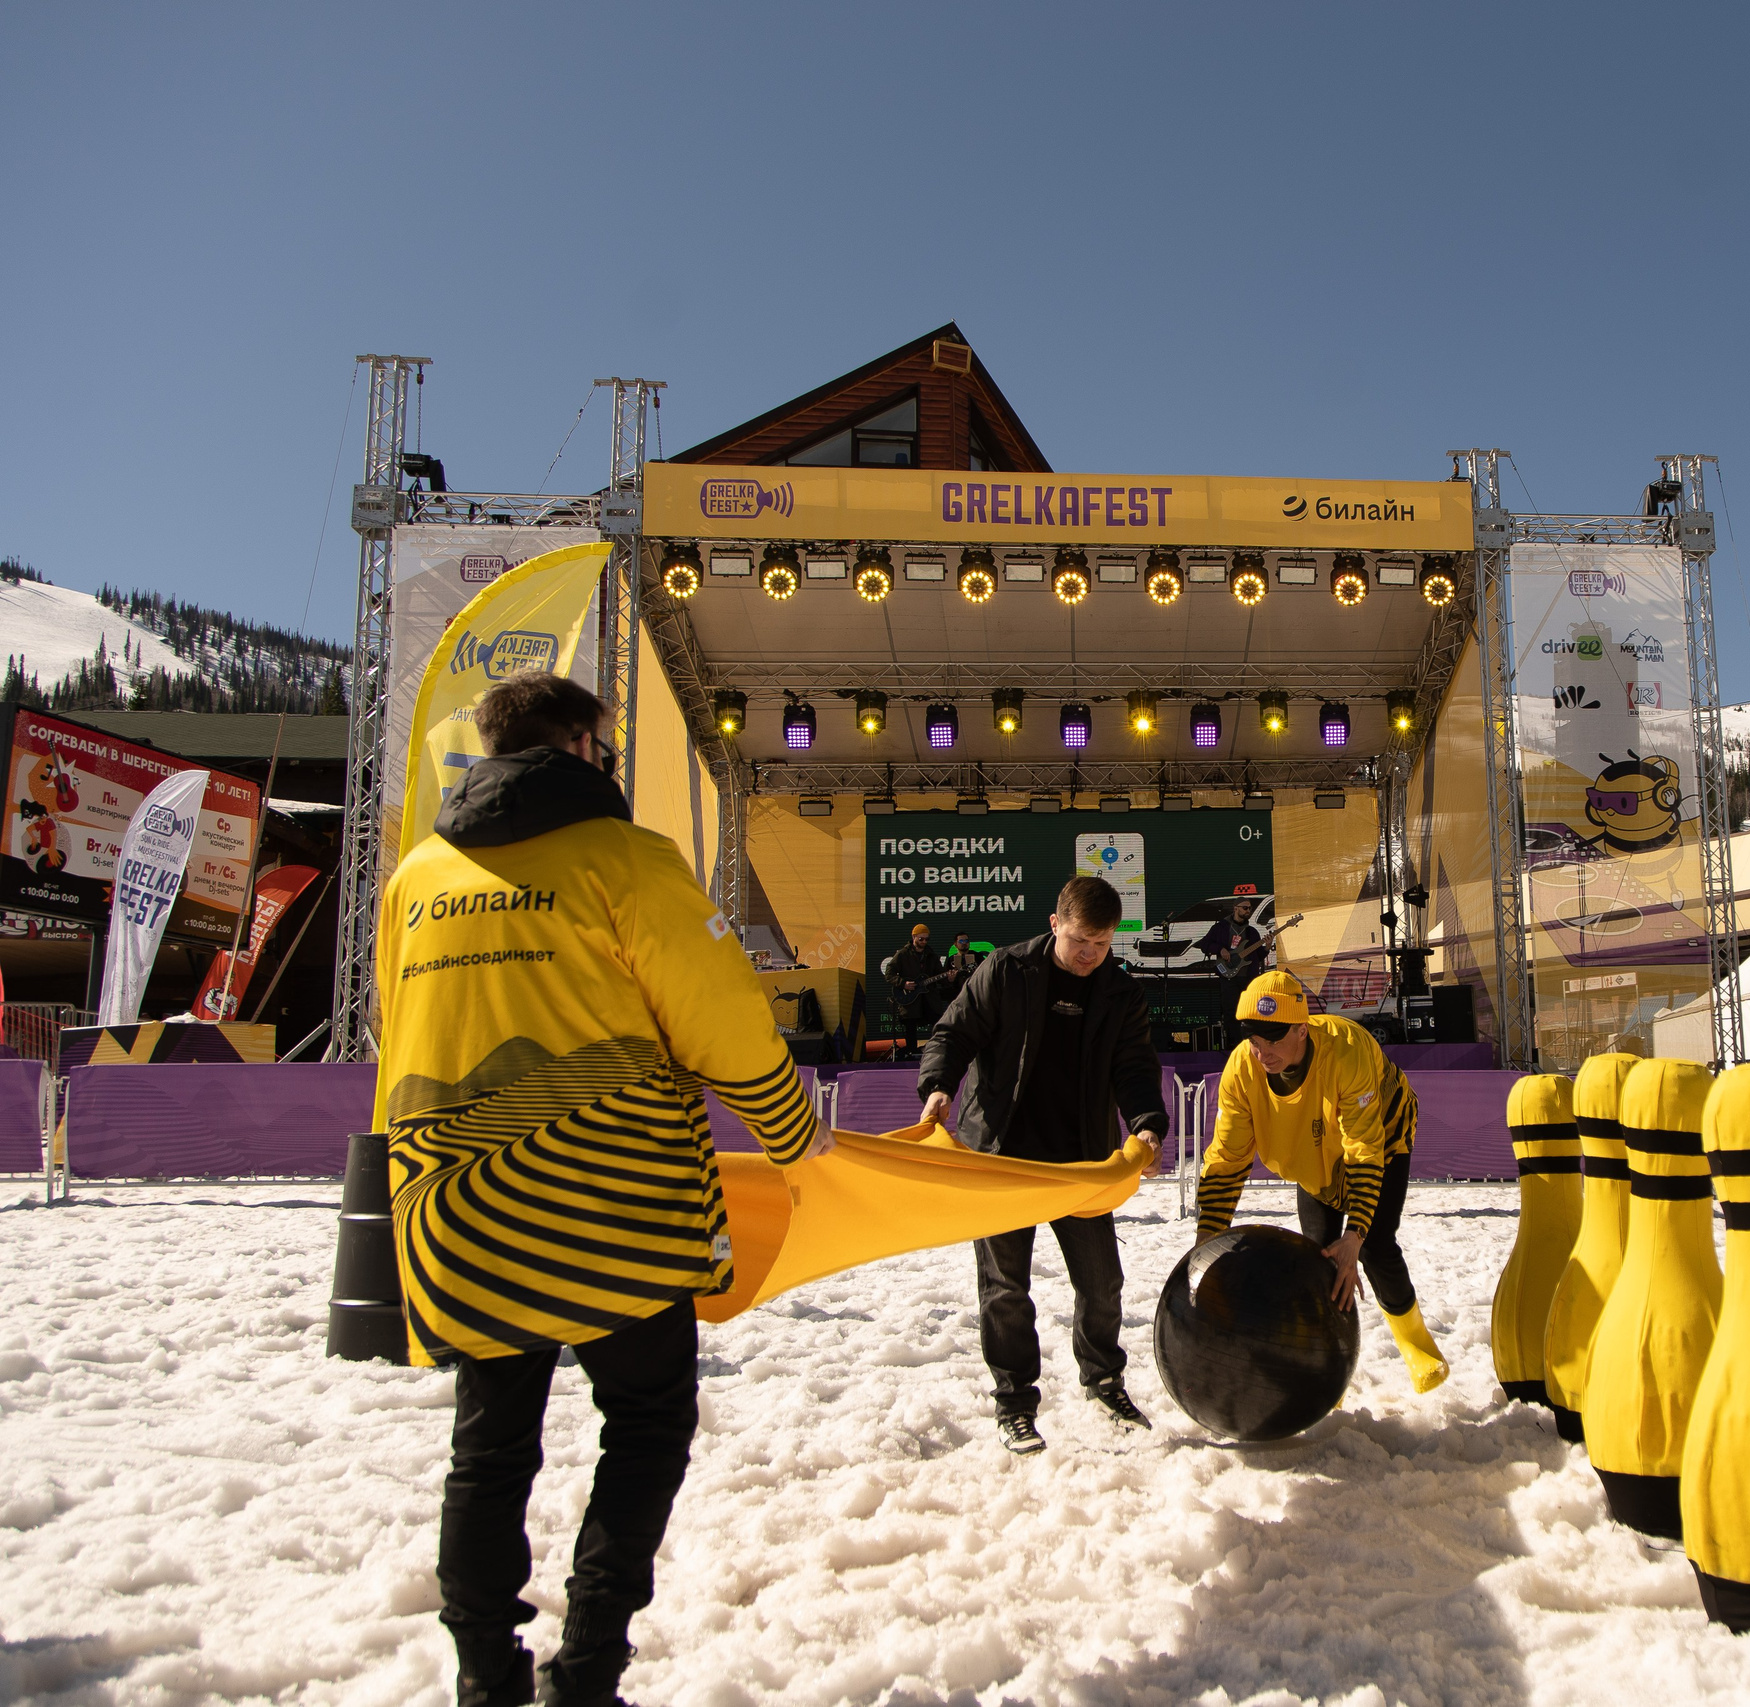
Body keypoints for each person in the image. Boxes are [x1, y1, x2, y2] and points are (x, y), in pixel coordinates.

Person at [373, 673, 826, 1707]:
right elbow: (723, 1023)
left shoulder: (416, 877)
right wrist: (794, 1140)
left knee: (486, 1455)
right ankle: (586, 1673)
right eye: (607, 748)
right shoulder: (626, 862)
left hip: (460, 1215)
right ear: (580, 746)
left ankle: (486, 1681)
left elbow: (393, 1043)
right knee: (648, 1424)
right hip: (616, 1209)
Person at [919, 875, 1168, 1456]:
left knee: (1103, 1282)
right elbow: (952, 1035)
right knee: (1005, 1289)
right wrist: (937, 1087)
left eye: (1103, 944)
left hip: (1080, 1165)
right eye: (1081, 940)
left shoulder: (1120, 994)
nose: (1090, 955)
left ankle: (1104, 1382)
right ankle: (1014, 1405)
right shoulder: (1005, 972)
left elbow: (1134, 1069)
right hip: (1001, 1158)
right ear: (1055, 923)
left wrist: (1148, 1123)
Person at [1194, 970, 1450, 1393]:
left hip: (1380, 1138)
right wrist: (1206, 1237)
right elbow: (1226, 1160)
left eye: (1273, 1040)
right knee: (1317, 1258)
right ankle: (1324, 1367)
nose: (1262, 1053)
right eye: (1254, 1041)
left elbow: (1364, 1149)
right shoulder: (1242, 1070)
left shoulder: (1347, 1051)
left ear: (1301, 1029)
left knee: (1375, 1246)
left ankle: (1417, 1346)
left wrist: (1356, 1236)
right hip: (1313, 1158)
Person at [1198, 897, 1267, 1044]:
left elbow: (1259, 955)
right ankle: (1233, 1046)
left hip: (1248, 978)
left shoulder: (1252, 932)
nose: (1248, 911)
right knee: (1231, 1012)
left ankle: (1250, 1043)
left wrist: (1267, 946)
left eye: (1250, 908)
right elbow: (1205, 944)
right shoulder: (1221, 927)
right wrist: (1220, 949)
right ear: (1235, 908)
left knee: (1250, 1012)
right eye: (1245, 908)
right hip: (1228, 977)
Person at [879, 922, 942, 1059]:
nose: (924, 942)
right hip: (910, 999)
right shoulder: (902, 954)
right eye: (921, 939)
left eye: (926, 939)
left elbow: (940, 975)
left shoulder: (931, 955)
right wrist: (903, 983)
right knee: (910, 1026)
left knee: (937, 1021)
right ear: (914, 937)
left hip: (928, 998)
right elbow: (889, 974)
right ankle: (911, 1054)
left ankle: (936, 1052)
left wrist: (949, 977)